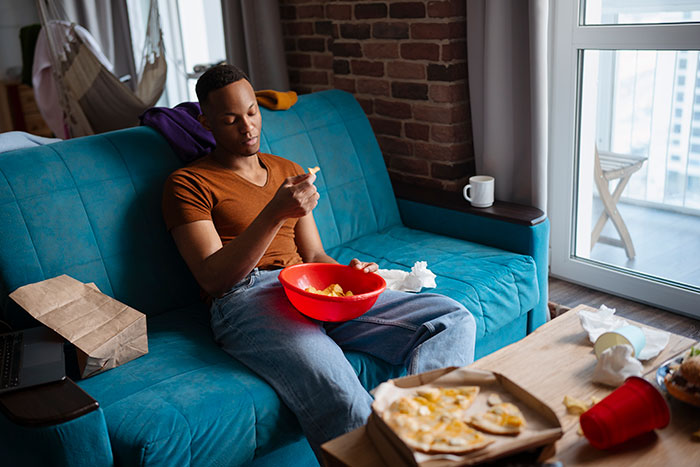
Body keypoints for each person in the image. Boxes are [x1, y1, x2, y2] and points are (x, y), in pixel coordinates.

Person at [161, 64, 477, 459]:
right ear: (206, 122)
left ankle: (421, 441)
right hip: (247, 297)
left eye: (252, 112)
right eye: (229, 119)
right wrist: (274, 212)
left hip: (311, 286)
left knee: (452, 320)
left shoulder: (288, 171)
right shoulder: (188, 184)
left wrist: (347, 275)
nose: (247, 127)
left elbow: (314, 255)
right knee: (343, 397)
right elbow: (215, 279)